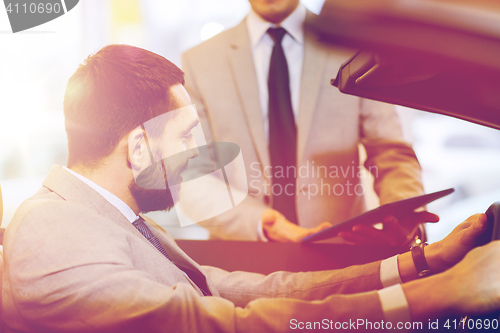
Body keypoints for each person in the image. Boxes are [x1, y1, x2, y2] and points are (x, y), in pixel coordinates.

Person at [3, 44, 500, 332]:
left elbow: (247, 290)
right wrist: (442, 295)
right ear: (138, 149)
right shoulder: (53, 228)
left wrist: (423, 264)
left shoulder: (112, 218)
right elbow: (220, 326)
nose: (199, 154)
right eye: (186, 136)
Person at [180, 0, 427, 244]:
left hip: (341, 251)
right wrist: (258, 222)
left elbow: (390, 152)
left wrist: (404, 215)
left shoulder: (355, 47)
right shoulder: (199, 62)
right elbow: (192, 174)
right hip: (244, 252)